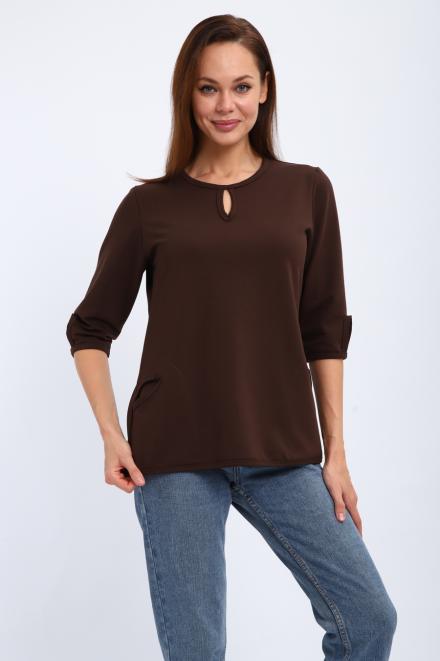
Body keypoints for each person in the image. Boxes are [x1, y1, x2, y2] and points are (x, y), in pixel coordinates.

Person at [66, 13, 397, 661]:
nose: (226, 105)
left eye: (241, 86)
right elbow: (90, 329)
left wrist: (336, 454)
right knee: (197, 652)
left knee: (367, 618)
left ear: (265, 89)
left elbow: (324, 327)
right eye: (208, 88)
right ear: (187, 95)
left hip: (281, 448)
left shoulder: (306, 190)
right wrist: (111, 435)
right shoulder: (151, 206)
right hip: (175, 455)